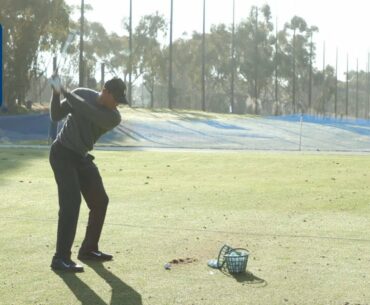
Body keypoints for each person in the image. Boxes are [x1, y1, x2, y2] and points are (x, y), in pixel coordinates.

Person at [48, 74, 128, 272]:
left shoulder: (113, 117)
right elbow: (56, 114)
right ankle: (60, 258)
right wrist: (56, 93)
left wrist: (65, 90)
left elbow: (89, 111)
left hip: (81, 156)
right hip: (62, 153)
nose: (117, 103)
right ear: (105, 91)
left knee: (100, 201)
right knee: (71, 203)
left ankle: (88, 249)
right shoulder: (82, 94)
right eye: (115, 97)